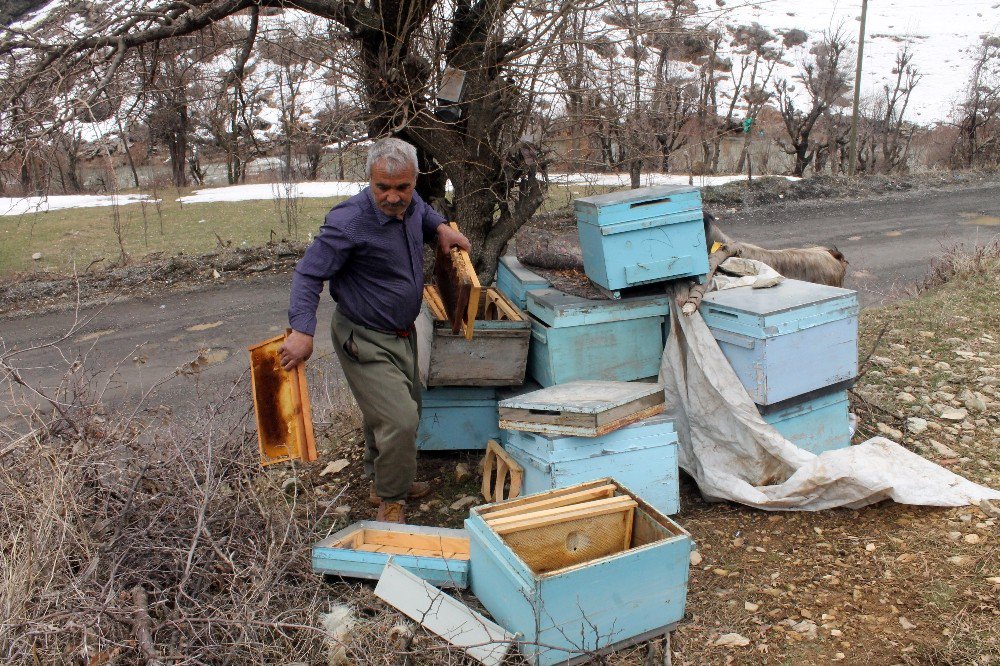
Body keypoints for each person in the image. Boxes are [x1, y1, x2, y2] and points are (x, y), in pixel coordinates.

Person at [279, 138, 470, 524]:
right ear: (369, 179)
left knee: (396, 409)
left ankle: (379, 477)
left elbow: (422, 210)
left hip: (403, 332)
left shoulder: (412, 202)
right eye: (383, 187)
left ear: (414, 181)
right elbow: (309, 273)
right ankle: (391, 499)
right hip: (362, 336)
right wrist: (302, 329)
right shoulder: (348, 222)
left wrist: (441, 229)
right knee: (400, 419)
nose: (394, 197)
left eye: (403, 187)